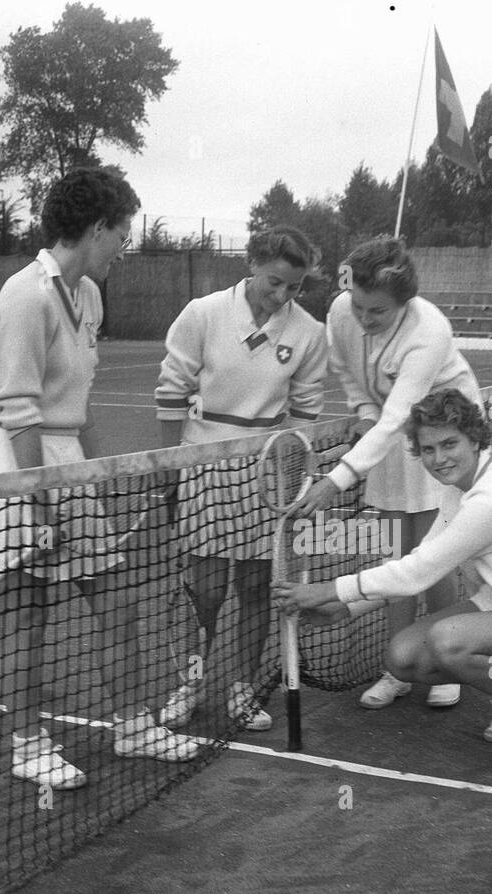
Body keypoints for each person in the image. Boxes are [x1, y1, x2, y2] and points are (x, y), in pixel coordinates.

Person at [0, 167, 203, 790]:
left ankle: (133, 724)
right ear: (97, 229)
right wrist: (41, 508)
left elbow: (79, 406)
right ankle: (27, 742)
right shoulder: (26, 295)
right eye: (122, 233)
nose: (125, 245)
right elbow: (18, 412)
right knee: (29, 615)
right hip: (15, 463)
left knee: (116, 600)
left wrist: (106, 479)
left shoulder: (88, 295)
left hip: (65, 461)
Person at [274, 389, 492, 774]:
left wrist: (327, 590)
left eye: (450, 444)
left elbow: (420, 571)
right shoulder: (457, 488)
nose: (439, 459)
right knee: (403, 657)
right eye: (428, 449)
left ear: (476, 439)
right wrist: (345, 608)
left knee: (448, 641)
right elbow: (418, 561)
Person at [288, 236, 481, 712]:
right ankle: (398, 668)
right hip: (387, 432)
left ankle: (442, 665)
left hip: (443, 435)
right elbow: (348, 372)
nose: (365, 320)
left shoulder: (429, 330)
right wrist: (361, 409)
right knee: (396, 547)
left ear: (406, 303)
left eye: (379, 312)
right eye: (360, 307)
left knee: (433, 554)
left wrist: (337, 478)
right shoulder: (340, 311)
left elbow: (400, 415)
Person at [155, 226, 328, 732]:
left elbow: (303, 417)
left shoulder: (308, 333)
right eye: (274, 282)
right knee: (204, 591)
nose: (282, 296)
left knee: (256, 589)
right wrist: (170, 469)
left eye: (293, 288)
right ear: (252, 263)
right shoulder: (202, 314)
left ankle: (242, 689)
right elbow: (171, 393)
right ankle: (189, 684)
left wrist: (291, 488)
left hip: (266, 473)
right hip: (203, 466)